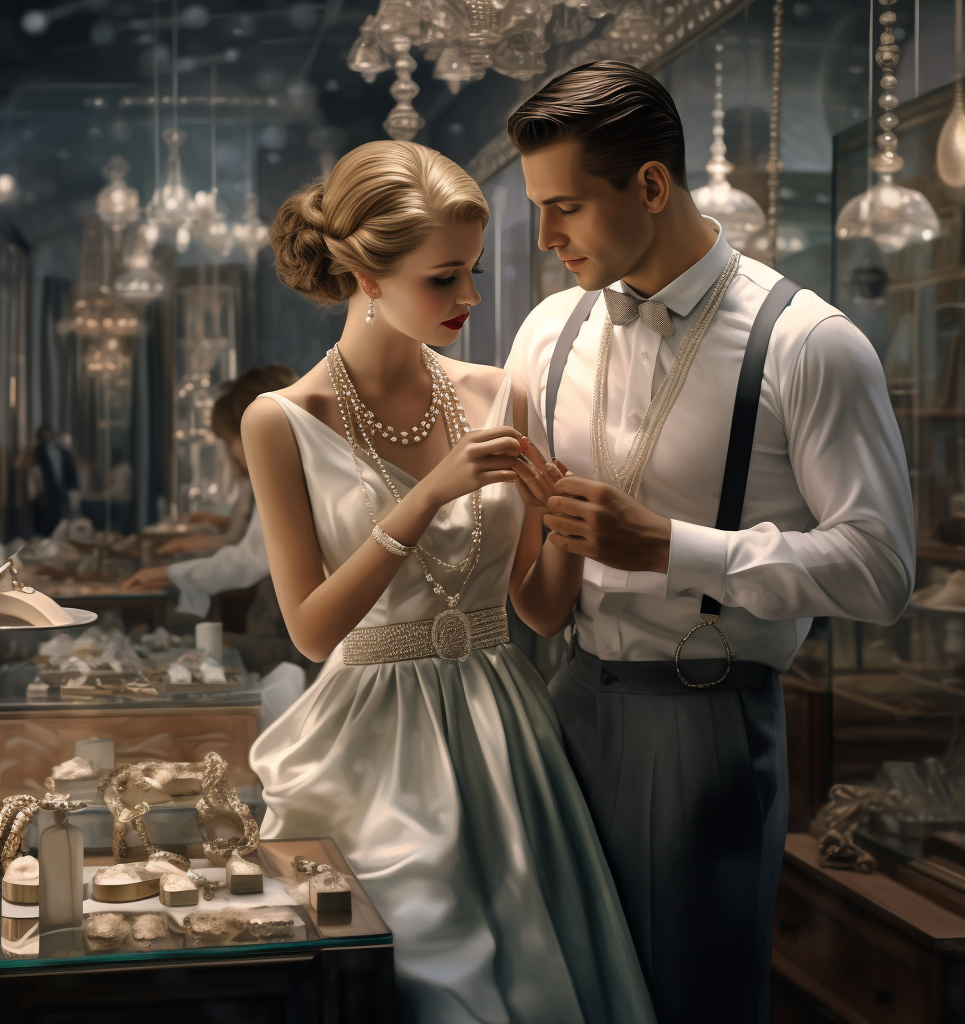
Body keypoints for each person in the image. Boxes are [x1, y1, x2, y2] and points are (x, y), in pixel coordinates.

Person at [503, 61, 916, 1024]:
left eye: (564, 206)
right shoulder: (546, 331)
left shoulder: (810, 344)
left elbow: (883, 569)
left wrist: (677, 549)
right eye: (537, 209)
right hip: (559, 701)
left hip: (704, 719)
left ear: (650, 184)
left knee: (690, 999)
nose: (547, 236)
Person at [244, 140, 656, 1024]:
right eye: (443, 279)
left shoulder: (499, 393)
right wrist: (429, 495)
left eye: (470, 273)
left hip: (508, 735)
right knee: (433, 979)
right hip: (371, 751)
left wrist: (573, 524)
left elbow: (538, 611)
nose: (469, 299)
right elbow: (313, 633)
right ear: (363, 273)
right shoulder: (281, 421)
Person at [122, 365, 297, 619]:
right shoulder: (297, 467)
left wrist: (169, 573)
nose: (232, 454)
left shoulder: (283, 476)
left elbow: (249, 557)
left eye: (229, 440)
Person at [27, 425, 80, 537]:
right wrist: (36, 494)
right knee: (44, 526)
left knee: (61, 523)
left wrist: (72, 488)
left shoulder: (63, 452)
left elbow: (70, 473)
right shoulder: (37, 452)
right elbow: (32, 474)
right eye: (43, 434)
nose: (46, 436)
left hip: (60, 492)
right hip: (44, 494)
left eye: (48, 433)